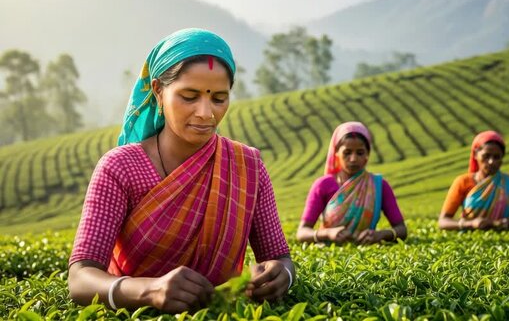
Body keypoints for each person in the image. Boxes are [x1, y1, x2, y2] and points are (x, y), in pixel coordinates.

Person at [68, 28, 294, 313]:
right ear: (158, 91)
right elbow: (80, 278)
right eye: (189, 96)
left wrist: (280, 275)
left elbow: (279, 257)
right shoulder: (120, 168)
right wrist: (148, 291)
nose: (205, 113)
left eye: (219, 98)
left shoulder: (248, 166)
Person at [297, 121, 407, 244]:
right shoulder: (323, 185)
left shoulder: (379, 185)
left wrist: (380, 235)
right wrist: (328, 233)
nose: (353, 159)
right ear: (337, 153)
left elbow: (401, 229)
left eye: (360, 153)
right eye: (347, 153)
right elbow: (302, 232)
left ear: (367, 154)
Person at [439, 131, 509, 230]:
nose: (491, 161)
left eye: (497, 157)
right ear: (476, 155)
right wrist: (471, 224)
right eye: (486, 156)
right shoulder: (462, 182)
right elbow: (443, 221)